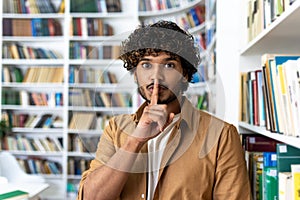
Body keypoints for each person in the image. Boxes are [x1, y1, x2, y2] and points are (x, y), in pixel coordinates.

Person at [77, 20, 251, 200]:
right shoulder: (115, 128)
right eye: (146, 65)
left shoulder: (221, 135)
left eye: (169, 65)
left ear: (184, 73)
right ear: (136, 73)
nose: (156, 76)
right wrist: (135, 141)